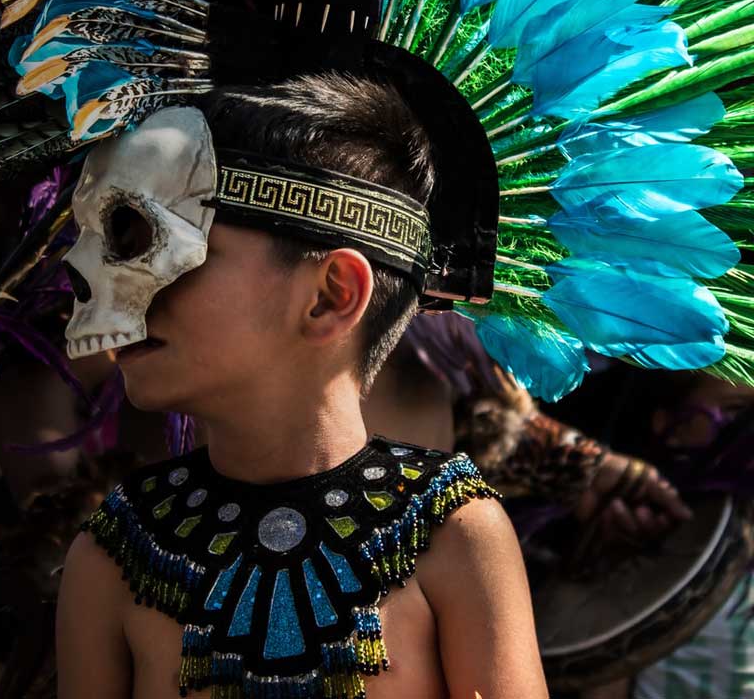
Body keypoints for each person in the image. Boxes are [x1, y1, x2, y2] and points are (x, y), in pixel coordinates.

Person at [57, 75, 547, 699]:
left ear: (330, 296)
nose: (89, 279)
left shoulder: (456, 532)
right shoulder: (115, 552)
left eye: (147, 240)